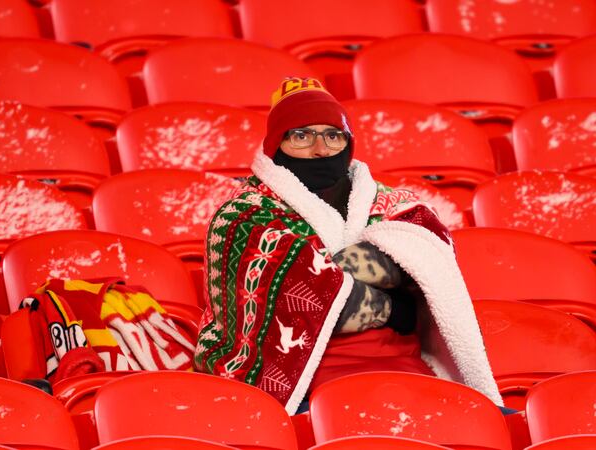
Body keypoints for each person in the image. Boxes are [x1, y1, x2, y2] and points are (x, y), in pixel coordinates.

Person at [194, 77, 507, 415]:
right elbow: (303, 301)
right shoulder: (243, 214)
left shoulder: (388, 200)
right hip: (305, 390)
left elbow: (432, 254)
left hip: (407, 374)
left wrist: (325, 274)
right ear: (276, 144)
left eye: (332, 135)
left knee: (503, 426)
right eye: (301, 136)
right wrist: (396, 308)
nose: (320, 149)